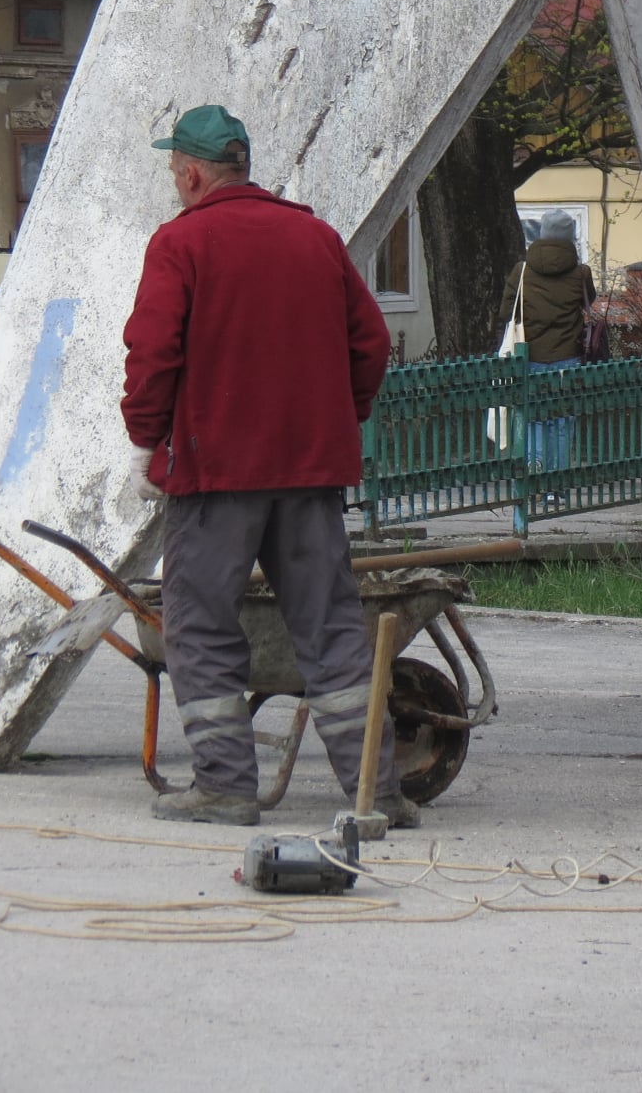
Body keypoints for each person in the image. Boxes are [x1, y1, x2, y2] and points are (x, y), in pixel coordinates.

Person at [121, 104, 417, 828]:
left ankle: (225, 786)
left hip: (215, 472)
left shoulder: (181, 243)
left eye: (172, 169)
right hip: (311, 473)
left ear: (192, 173)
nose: (173, 179)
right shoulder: (314, 237)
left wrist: (143, 439)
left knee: (200, 624)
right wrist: (337, 418)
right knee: (332, 626)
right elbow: (370, 343)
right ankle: (374, 789)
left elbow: (154, 354)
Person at [498, 209, 597, 473]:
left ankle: (535, 471)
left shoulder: (522, 272)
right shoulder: (581, 273)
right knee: (563, 420)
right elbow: (590, 303)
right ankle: (557, 482)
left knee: (534, 419)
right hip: (569, 359)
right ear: (570, 237)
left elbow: (506, 312)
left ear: (542, 234)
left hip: (531, 357)